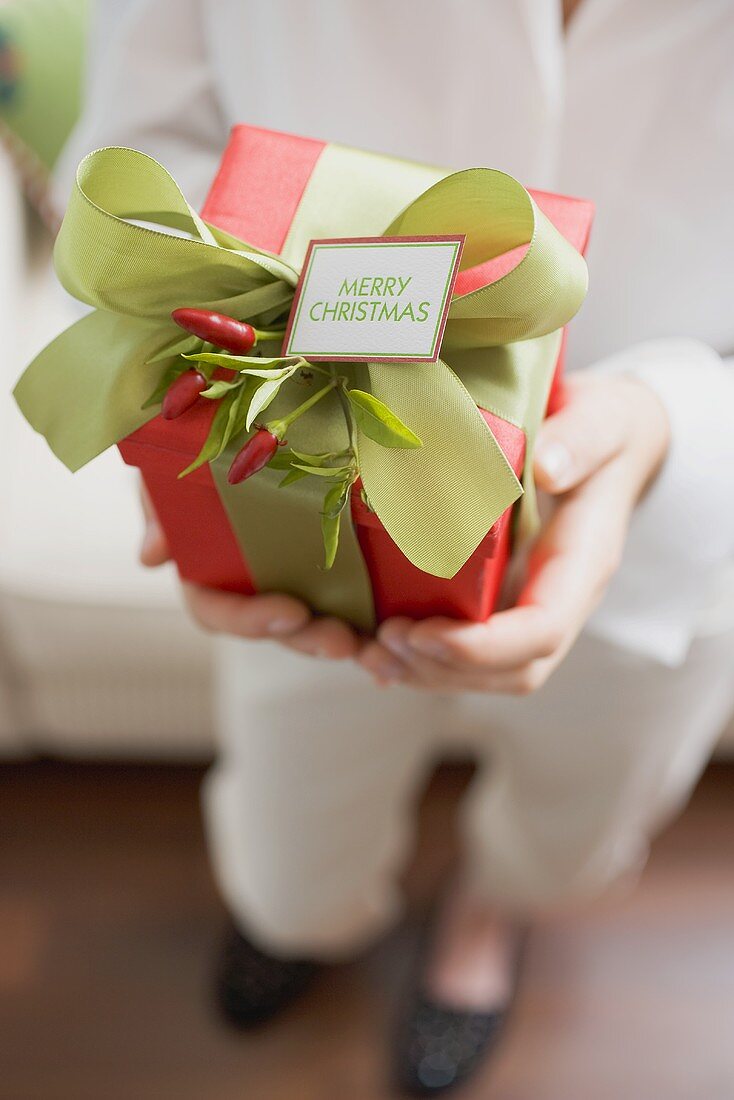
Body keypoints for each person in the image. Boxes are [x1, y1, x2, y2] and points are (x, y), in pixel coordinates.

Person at [57, 0, 734, 1093]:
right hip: (297, 487)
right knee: (291, 815)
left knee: (578, 800)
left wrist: (673, 422)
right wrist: (188, 384)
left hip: (672, 522)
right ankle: (301, 916)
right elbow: (137, 161)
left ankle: (487, 913)